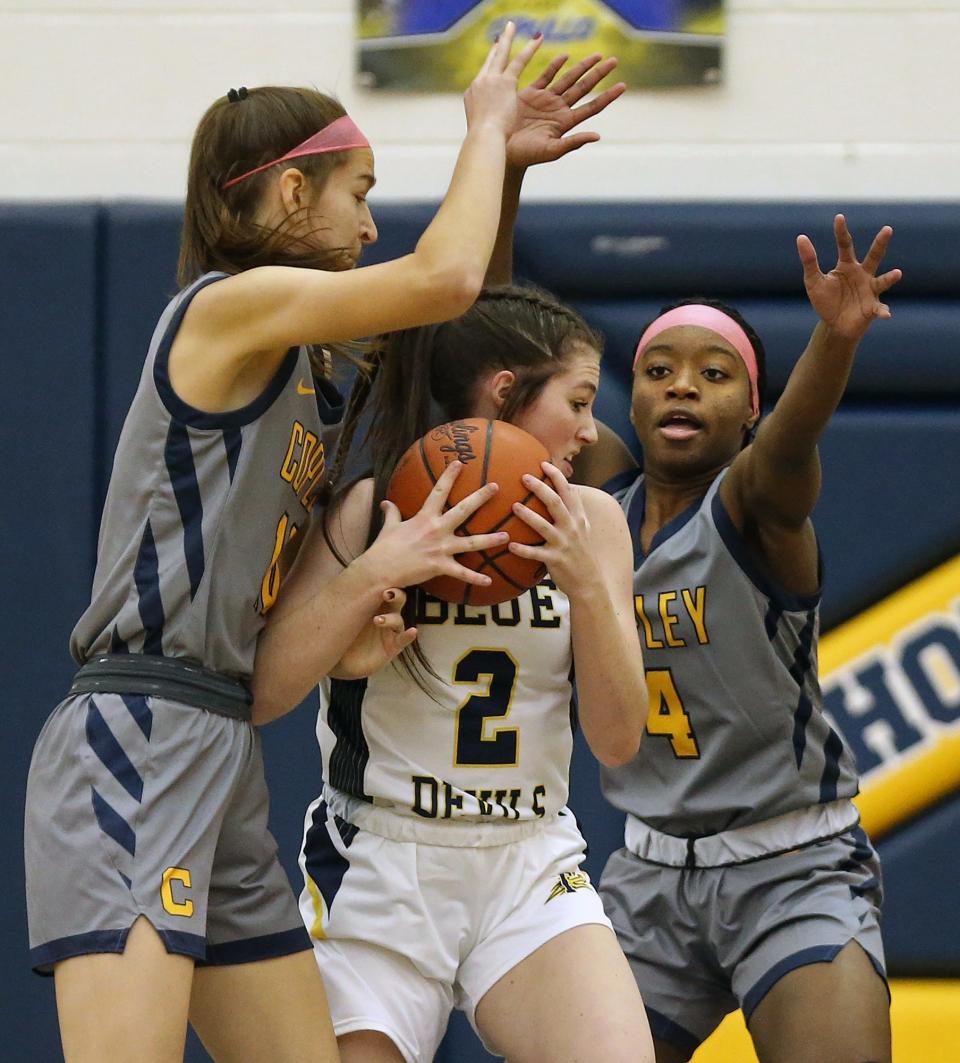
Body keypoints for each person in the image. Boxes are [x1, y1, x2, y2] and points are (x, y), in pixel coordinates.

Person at [24, 25, 547, 1062]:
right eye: (357, 190)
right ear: (291, 196)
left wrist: (509, 171)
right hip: (138, 731)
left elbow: (453, 306)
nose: (369, 221)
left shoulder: (315, 352)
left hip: (220, 735)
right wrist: (483, 127)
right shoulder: (228, 308)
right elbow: (439, 279)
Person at [254, 287, 656, 1063]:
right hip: (382, 862)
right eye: (576, 400)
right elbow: (267, 690)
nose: (590, 429)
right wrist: (371, 578)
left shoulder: (595, 521)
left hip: (528, 862)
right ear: (506, 392)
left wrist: (586, 591)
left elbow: (618, 740)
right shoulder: (372, 508)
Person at [578, 216, 901, 1063]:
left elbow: (794, 444)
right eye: (660, 371)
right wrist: (504, 170)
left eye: (714, 375)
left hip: (790, 865)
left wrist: (835, 341)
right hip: (645, 875)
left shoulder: (755, 504)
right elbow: (494, 341)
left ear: (751, 406)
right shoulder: (593, 505)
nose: (683, 388)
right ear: (634, 396)